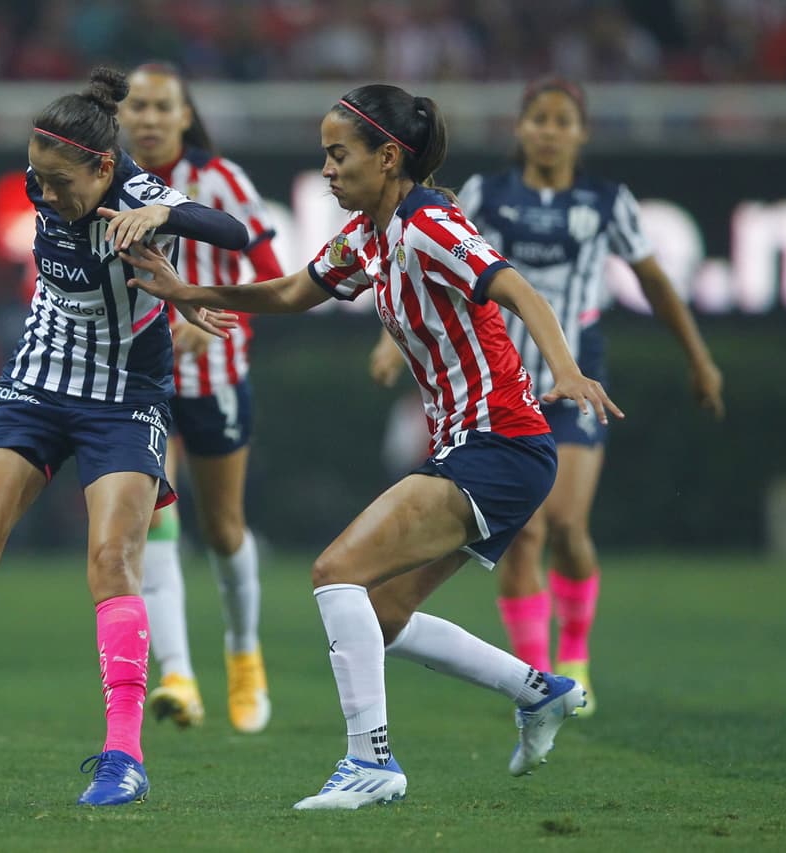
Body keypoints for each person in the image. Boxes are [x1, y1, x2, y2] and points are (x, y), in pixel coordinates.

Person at [121, 83, 622, 810]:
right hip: (483, 448)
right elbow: (295, 291)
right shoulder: (368, 234)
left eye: (337, 153)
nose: (326, 169)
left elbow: (516, 288)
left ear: (388, 157)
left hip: (500, 443)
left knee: (335, 570)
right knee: (379, 613)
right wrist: (188, 291)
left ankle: (370, 761)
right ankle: (539, 691)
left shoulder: (428, 223)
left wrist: (567, 368)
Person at [0, 67, 249, 809]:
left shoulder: (137, 194)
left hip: (124, 399)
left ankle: (124, 756)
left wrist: (164, 218)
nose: (46, 193)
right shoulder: (47, 180)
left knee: (111, 559)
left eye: (62, 182)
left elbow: (236, 233)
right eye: (39, 177)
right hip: (35, 383)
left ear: (103, 167)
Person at [371, 76, 724, 715]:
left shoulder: (606, 201)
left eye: (563, 121)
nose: (550, 130)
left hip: (576, 375)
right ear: (521, 127)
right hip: (506, 381)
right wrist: (387, 345)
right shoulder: (484, 194)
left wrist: (699, 357)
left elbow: (654, 282)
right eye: (539, 118)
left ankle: (576, 652)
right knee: (526, 533)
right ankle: (539, 673)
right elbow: (424, 263)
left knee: (566, 523)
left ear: (581, 133)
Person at [119, 61, 285, 734]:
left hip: (215, 374)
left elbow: (275, 280)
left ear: (186, 115)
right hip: (138, 380)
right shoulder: (108, 180)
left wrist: (213, 323)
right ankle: (178, 676)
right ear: (121, 116)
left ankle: (244, 653)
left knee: (222, 530)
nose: (151, 118)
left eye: (164, 106)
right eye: (139, 107)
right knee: (153, 522)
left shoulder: (222, 182)